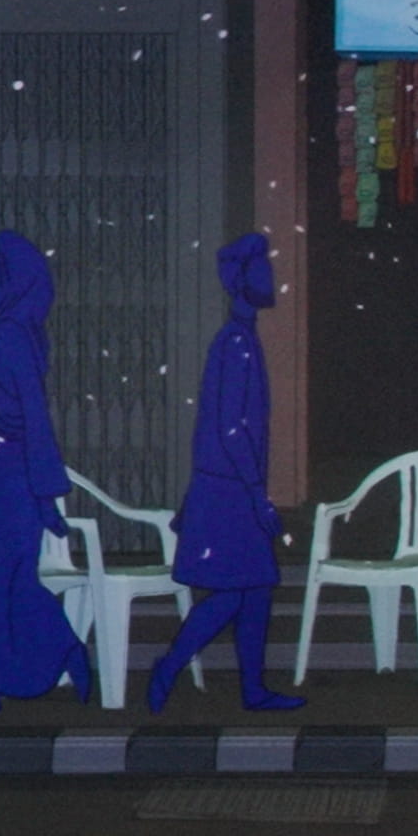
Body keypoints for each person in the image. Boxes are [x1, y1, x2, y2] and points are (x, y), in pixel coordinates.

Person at [0, 231, 99, 715]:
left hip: (11, 482)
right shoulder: (11, 335)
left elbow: (32, 418)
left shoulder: (6, 339)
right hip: (6, 480)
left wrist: (45, 494)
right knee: (9, 582)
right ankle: (54, 651)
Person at [148, 233, 304, 713]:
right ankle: (170, 666)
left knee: (254, 590)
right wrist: (257, 495)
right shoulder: (236, 343)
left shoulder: (240, 339)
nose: (270, 277)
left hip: (227, 486)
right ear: (240, 280)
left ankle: (251, 688)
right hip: (229, 490)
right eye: (261, 269)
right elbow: (231, 429)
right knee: (237, 592)